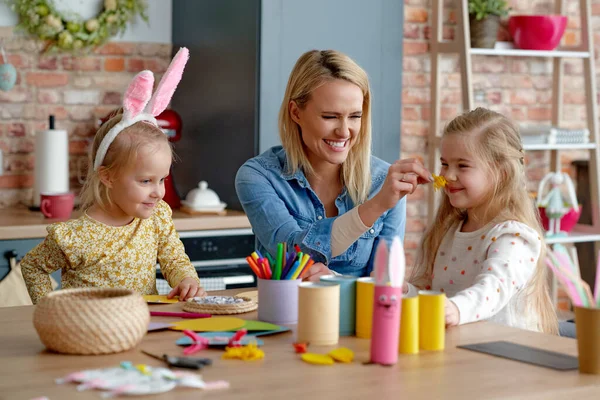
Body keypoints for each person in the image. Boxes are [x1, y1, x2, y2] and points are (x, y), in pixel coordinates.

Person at [21, 48, 204, 304]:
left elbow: (174, 260)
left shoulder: (157, 217)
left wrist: (187, 280)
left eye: (161, 179)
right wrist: (52, 310)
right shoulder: (75, 237)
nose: (158, 192)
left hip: (144, 328)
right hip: (90, 337)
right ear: (108, 177)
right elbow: (32, 267)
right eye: (145, 181)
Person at [235, 49, 431, 281]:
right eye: (330, 117)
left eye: (355, 116)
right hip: (282, 316)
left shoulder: (382, 181)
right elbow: (293, 253)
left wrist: (333, 280)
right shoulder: (259, 177)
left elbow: (385, 284)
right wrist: (376, 206)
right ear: (296, 112)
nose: (344, 131)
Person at [406, 107, 558, 334]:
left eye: (463, 165)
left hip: (507, 359)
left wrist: (456, 308)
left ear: (502, 173)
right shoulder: (449, 230)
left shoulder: (514, 236)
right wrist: (400, 290)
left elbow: (493, 288)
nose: (447, 175)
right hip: (463, 351)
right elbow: (433, 293)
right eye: (445, 163)